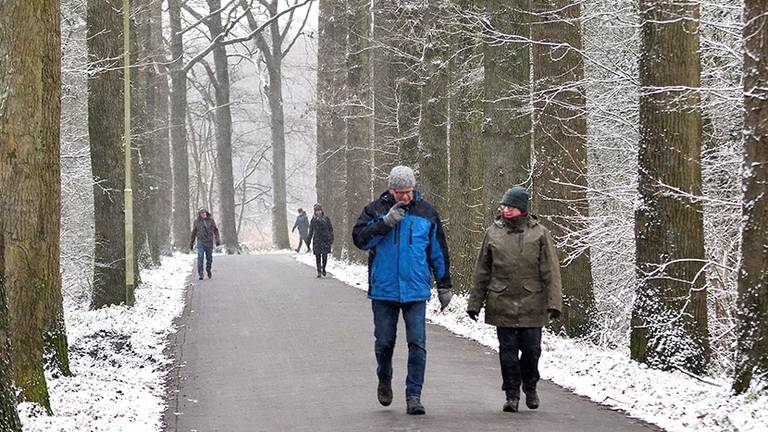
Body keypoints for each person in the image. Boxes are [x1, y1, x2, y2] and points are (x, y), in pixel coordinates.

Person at [352, 165, 453, 416]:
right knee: (384, 343)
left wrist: (444, 285)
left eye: (408, 191)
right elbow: (360, 240)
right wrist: (384, 223)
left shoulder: (427, 213)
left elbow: (438, 252)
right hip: (384, 290)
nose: (405, 197)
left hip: (416, 290)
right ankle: (384, 377)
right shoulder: (374, 210)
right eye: (400, 193)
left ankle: (414, 396)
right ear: (391, 190)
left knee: (417, 344)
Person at [466, 186, 562, 413]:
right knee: (507, 351)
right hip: (502, 300)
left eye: (510, 206)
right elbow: (482, 270)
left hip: (532, 301)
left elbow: (551, 271)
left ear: (522, 209)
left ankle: (530, 385)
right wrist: (474, 303)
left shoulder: (540, 233)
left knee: (532, 350)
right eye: (503, 206)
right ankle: (511, 394)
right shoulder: (493, 232)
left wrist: (554, 303)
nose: (505, 210)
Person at [190, 208, 221, 280]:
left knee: (209, 258)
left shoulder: (211, 221)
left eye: (205, 213)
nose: (204, 214)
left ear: (206, 213)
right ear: (200, 214)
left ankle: (208, 269)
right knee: (200, 257)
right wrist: (191, 243)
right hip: (200, 242)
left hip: (209, 242)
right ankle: (200, 274)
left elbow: (215, 231)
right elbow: (194, 232)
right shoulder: (196, 222)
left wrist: (217, 240)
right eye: (202, 213)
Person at [306, 203, 333, 277]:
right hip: (317, 240)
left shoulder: (326, 219)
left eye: (319, 210)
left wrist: (331, 238)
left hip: (325, 239)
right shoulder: (313, 220)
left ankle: (323, 268)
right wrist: (308, 240)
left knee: (324, 256)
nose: (318, 212)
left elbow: (330, 229)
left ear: (321, 211)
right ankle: (318, 271)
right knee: (317, 256)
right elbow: (311, 231)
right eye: (316, 211)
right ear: (314, 212)